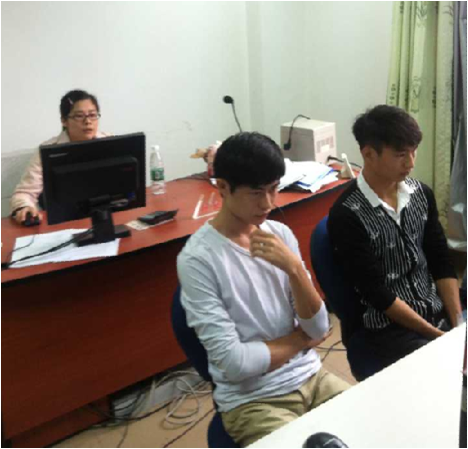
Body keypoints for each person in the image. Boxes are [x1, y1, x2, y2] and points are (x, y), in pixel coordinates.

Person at [177, 132, 349, 447]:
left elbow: (319, 326)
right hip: (253, 400)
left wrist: (294, 268)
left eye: (273, 189)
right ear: (222, 187)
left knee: (372, 427)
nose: (268, 203)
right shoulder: (198, 260)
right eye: (256, 193)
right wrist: (301, 340)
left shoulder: (279, 234)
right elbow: (235, 364)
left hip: (312, 377)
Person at [328, 105, 463, 380]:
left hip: (435, 307)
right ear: (368, 154)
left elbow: (440, 261)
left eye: (414, 152)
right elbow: (377, 294)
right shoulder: (347, 215)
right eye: (401, 155)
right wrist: (439, 337)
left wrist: (457, 323)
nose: (410, 163)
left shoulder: (420, 194)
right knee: (445, 377)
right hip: (390, 329)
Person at [10, 89, 110, 225]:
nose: (88, 121)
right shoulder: (47, 151)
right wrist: (24, 207)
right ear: (64, 120)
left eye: (92, 115)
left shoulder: (110, 142)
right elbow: (24, 193)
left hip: (108, 216)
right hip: (64, 223)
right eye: (79, 116)